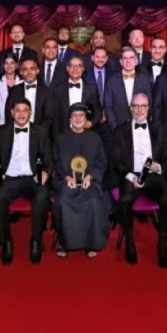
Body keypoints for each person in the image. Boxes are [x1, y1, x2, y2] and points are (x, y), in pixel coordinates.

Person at [111, 93, 167, 267]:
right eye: (136, 106)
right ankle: (130, 243)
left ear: (148, 108)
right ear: (130, 108)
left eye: (143, 106)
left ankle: (162, 244)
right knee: (125, 199)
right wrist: (131, 177)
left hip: (153, 176)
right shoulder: (120, 131)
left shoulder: (159, 129)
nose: (139, 110)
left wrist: (159, 166)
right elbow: (116, 160)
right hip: (131, 174)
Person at [0, 99, 53, 265]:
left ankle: (36, 240)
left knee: (42, 194)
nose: (21, 114)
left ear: (30, 113)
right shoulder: (1, 131)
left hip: (32, 177)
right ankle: (6, 241)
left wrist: (46, 172)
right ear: (12, 113)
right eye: (18, 110)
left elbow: (49, 159)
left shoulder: (41, 132)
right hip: (9, 178)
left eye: (25, 110)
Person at [52, 103, 111, 258]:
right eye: (75, 116)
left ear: (86, 119)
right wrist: (66, 177)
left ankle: (91, 243)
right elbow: (56, 162)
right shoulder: (61, 138)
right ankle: (65, 243)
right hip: (67, 181)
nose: (78, 119)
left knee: (93, 201)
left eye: (81, 116)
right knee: (64, 201)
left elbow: (102, 161)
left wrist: (90, 176)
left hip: (90, 181)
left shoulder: (95, 138)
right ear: (70, 119)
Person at [103, 47, 152, 132]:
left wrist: (141, 124)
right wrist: (115, 128)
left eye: (131, 57)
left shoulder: (145, 81)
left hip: (139, 128)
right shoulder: (111, 81)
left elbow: (149, 105)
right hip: (117, 128)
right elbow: (108, 106)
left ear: (136, 61)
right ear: (121, 62)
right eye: (125, 58)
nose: (128, 61)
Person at [5, 57, 54, 136]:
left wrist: (39, 132)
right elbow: (9, 114)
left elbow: (49, 116)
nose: (29, 72)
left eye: (32, 69)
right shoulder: (14, 91)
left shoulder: (47, 92)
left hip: (41, 135)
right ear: (21, 72)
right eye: (25, 69)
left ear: (37, 71)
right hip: (18, 134)